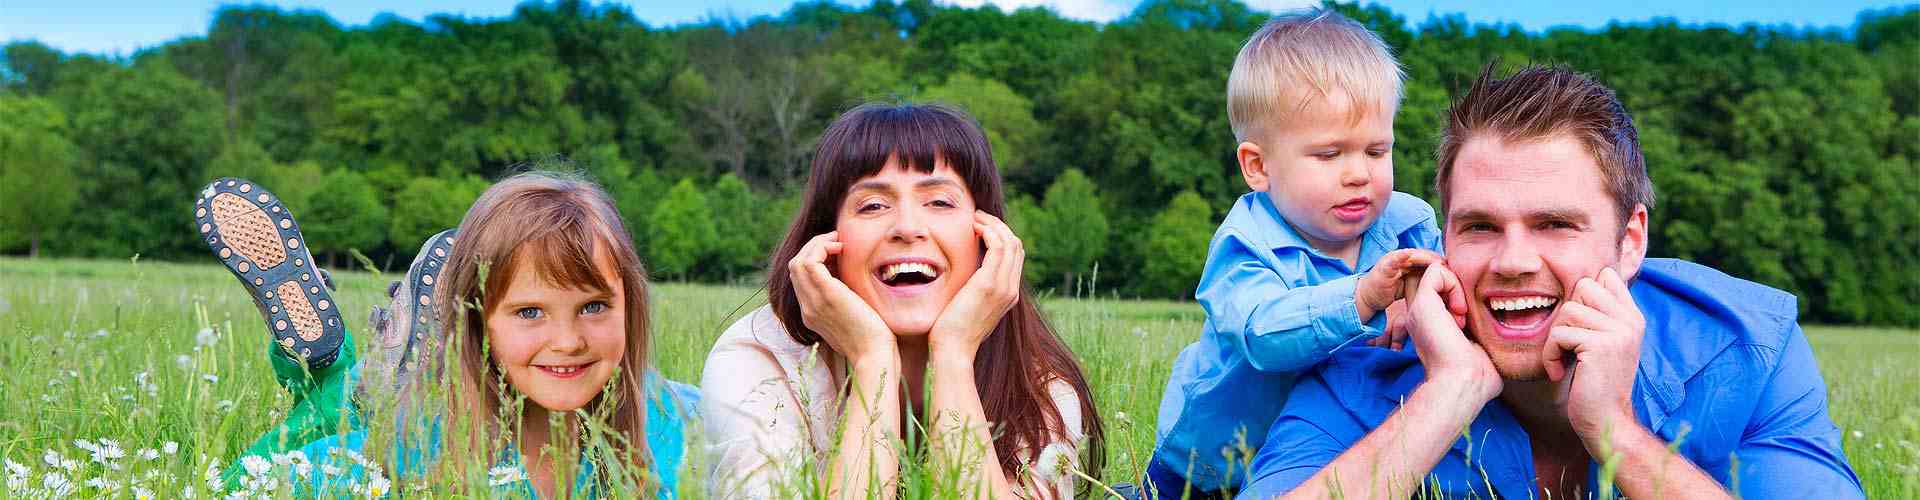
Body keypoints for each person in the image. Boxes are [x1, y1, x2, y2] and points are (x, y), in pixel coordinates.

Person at [1237, 65, 1863, 499]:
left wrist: (1613, 429)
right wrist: (1450, 393)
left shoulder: (1748, 349)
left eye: (1556, 224)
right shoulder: (1364, 360)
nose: (1513, 260)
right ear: (1441, 238)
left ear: (1630, 240)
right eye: (1479, 226)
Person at [196, 171, 696, 497]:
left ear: (630, 307)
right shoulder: (419, 450)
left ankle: (342, 371)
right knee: (349, 424)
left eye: (593, 306)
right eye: (529, 312)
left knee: (365, 403)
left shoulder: (687, 420)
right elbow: (243, 484)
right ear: (479, 322)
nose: (568, 339)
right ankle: (340, 378)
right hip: (424, 418)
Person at [700, 102, 1105, 499]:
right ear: (826, 239)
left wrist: (954, 356)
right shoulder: (756, 361)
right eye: (873, 205)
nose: (908, 228)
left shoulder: (1037, 385)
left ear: (988, 237)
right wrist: (872, 361)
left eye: (940, 202)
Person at [1147, 8, 1443, 497]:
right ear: (1258, 166)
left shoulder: (1410, 224)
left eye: (1376, 151)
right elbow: (1261, 334)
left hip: (1330, 452)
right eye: (1329, 155)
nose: (1358, 174)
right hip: (1213, 460)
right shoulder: (1246, 242)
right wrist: (1363, 297)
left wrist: (1425, 296)